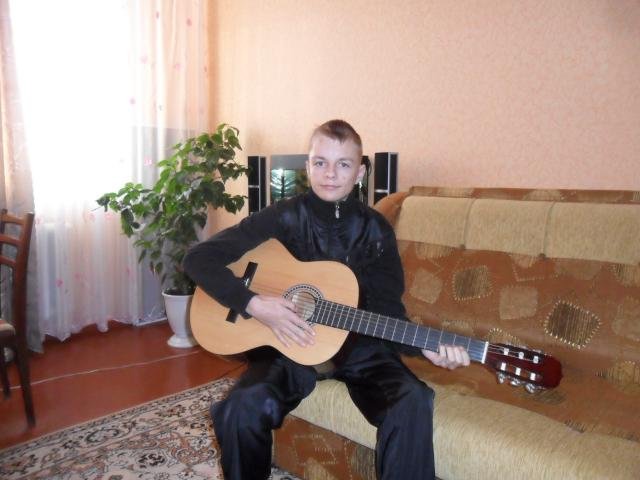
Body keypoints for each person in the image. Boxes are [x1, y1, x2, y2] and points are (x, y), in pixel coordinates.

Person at [183, 119, 470, 480]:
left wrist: (424, 346)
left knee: (413, 400)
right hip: (290, 346)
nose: (330, 174)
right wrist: (254, 304)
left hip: (361, 346)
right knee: (240, 408)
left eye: (343, 164)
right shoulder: (283, 217)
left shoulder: (376, 230)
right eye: (320, 162)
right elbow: (198, 258)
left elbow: (388, 310)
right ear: (308, 167)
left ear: (360, 172)